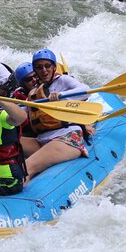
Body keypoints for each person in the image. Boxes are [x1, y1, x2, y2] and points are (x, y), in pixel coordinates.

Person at [24, 48, 92, 184]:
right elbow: (21, 112)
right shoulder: (34, 91)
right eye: (39, 67)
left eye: (47, 66)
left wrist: (62, 97)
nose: (44, 70)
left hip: (66, 137)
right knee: (8, 143)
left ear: (54, 67)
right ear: (35, 71)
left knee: (25, 168)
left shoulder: (63, 81)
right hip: (42, 139)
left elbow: (86, 91)